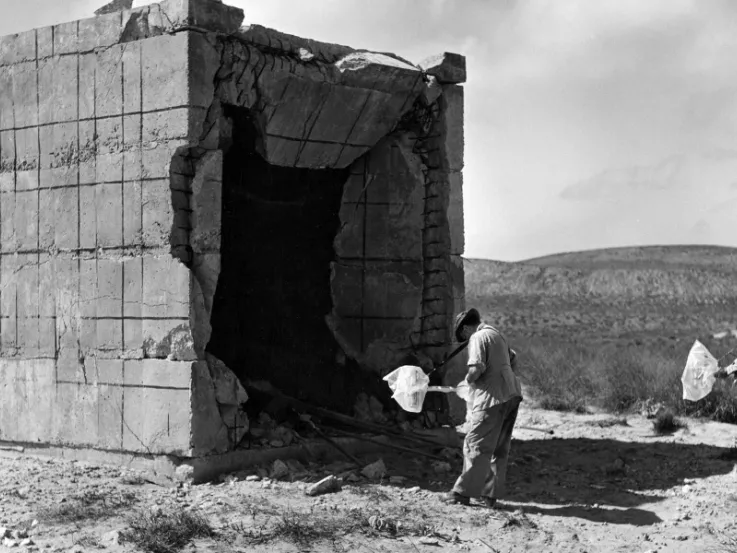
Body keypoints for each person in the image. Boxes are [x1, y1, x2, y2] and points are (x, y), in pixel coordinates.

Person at [443, 308, 523, 508]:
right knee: (498, 449)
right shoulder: (497, 335)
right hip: (511, 395)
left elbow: (476, 368)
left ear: (467, 327)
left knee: (475, 444)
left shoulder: (478, 336)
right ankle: (489, 496)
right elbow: (513, 358)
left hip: (491, 399)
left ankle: (462, 493)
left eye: (463, 335)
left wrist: (468, 381)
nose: (465, 339)